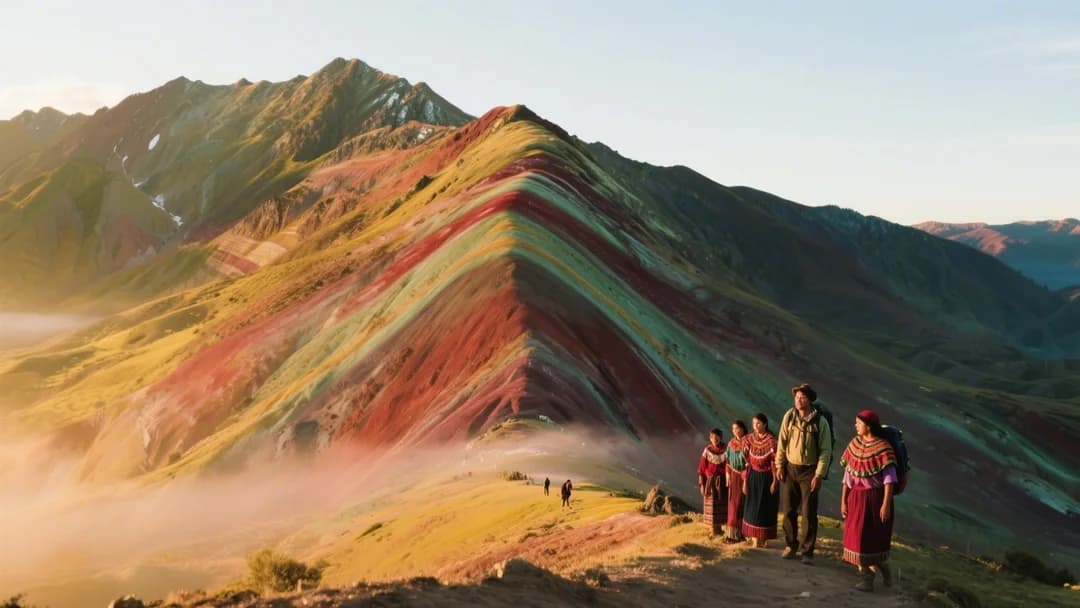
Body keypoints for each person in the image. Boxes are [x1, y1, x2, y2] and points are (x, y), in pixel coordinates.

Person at [841, 409, 898, 592]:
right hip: (856, 497)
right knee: (856, 540)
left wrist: (886, 504)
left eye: (859, 423)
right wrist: (844, 500)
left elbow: (889, 479)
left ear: (868, 426)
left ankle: (879, 574)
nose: (855, 426)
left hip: (875, 499)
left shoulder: (883, 448)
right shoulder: (854, 445)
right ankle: (867, 577)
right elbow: (847, 476)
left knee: (872, 540)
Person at [775, 383, 833, 564]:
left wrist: (819, 475)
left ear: (809, 400)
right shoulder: (790, 417)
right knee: (788, 510)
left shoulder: (820, 422)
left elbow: (825, 450)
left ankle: (807, 551)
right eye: (796, 397)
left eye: (802, 398)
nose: (798, 400)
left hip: (810, 471)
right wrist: (779, 466)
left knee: (808, 513)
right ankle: (791, 545)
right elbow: (782, 442)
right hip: (791, 468)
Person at [741, 413, 779, 548]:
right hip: (752, 477)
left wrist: (775, 481)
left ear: (765, 424)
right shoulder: (748, 440)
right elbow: (745, 462)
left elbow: (775, 463)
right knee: (751, 508)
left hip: (766, 478)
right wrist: (745, 480)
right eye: (753, 424)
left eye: (758, 424)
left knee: (764, 509)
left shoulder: (771, 442)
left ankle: (762, 539)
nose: (755, 427)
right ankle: (753, 538)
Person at [697, 427, 727, 537]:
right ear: (710, 438)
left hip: (723, 482)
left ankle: (720, 529)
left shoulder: (726, 449)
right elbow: (701, 468)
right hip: (710, 482)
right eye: (712, 437)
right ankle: (714, 530)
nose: (715, 439)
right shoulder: (707, 450)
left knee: (722, 505)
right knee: (711, 505)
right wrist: (702, 484)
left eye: (717, 437)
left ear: (720, 437)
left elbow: (728, 465)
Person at [724, 420, 748, 543]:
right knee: (732, 504)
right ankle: (731, 534)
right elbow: (727, 460)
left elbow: (750, 462)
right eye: (733, 429)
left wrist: (746, 478)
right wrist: (727, 473)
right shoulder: (731, 443)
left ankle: (741, 533)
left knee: (741, 505)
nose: (735, 431)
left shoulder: (748, 442)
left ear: (743, 429)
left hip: (744, 476)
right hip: (733, 476)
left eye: (737, 428)